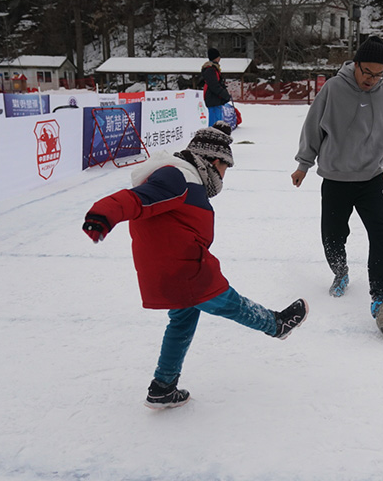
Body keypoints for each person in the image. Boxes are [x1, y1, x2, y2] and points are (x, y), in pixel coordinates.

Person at [82, 122, 308, 409]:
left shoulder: (186, 178)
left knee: (183, 319)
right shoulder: (177, 177)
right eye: (226, 167)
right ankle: (276, 324)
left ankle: (163, 387)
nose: (225, 176)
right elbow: (136, 199)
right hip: (183, 270)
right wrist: (103, 214)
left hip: (177, 265)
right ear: (214, 161)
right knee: (228, 301)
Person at [290, 36, 383, 319]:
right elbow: (313, 128)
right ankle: (340, 271)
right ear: (355, 64)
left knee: (381, 235)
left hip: (371, 179)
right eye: (366, 71)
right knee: (333, 236)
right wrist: (303, 164)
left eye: (378, 74)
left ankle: (379, 293)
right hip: (336, 178)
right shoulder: (333, 89)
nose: (371, 79)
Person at [200, 48, 232, 126]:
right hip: (213, 100)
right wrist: (225, 95)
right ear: (216, 58)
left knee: (218, 123)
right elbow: (214, 86)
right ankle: (211, 137)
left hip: (216, 100)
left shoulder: (213, 69)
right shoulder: (210, 70)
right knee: (215, 124)